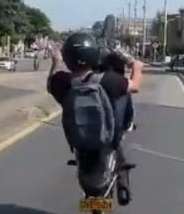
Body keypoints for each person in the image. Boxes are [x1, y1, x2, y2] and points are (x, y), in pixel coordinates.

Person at [46, 32, 144, 199]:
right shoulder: (108, 80)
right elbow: (135, 86)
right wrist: (136, 65)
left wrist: (55, 62)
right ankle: (122, 182)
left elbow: (49, 84)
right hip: (108, 138)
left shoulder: (61, 82)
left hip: (78, 140)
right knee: (118, 133)